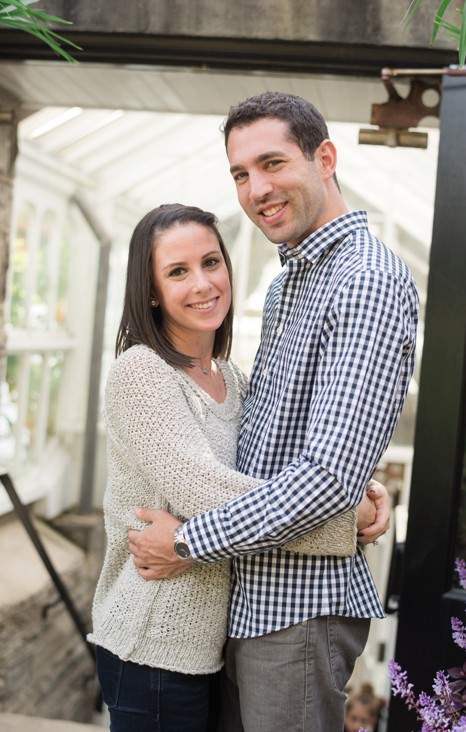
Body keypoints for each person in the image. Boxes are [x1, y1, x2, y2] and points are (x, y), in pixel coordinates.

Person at [126, 92, 419, 730]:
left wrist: (187, 542)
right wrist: (362, 490)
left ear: (325, 158)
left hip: (298, 607)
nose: (256, 188)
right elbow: (273, 434)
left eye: (272, 163)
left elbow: (325, 477)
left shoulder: (363, 278)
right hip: (248, 597)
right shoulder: (291, 279)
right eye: (240, 174)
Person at [89, 203, 383, 731]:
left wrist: (356, 483)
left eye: (211, 262)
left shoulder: (231, 379)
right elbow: (209, 490)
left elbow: (273, 469)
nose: (203, 283)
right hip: (154, 648)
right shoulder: (141, 372)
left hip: (214, 648)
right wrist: (344, 519)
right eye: (178, 272)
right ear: (151, 291)